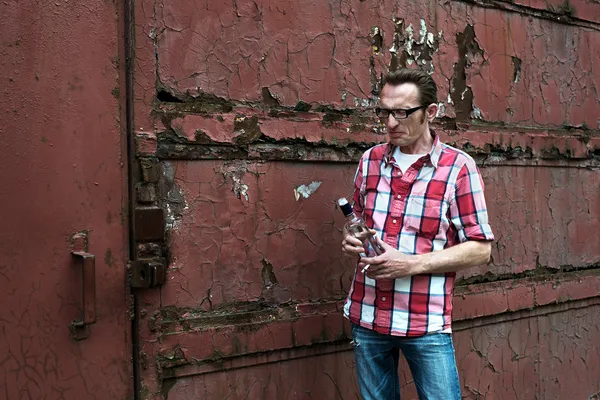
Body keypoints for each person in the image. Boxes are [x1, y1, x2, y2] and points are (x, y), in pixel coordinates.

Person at [341, 68, 495, 400]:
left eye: (402, 112)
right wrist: (352, 238)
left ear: (431, 112)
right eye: (385, 111)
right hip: (367, 315)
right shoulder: (370, 161)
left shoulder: (458, 168)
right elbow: (358, 219)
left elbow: (481, 249)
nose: (391, 123)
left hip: (424, 322)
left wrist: (409, 265)